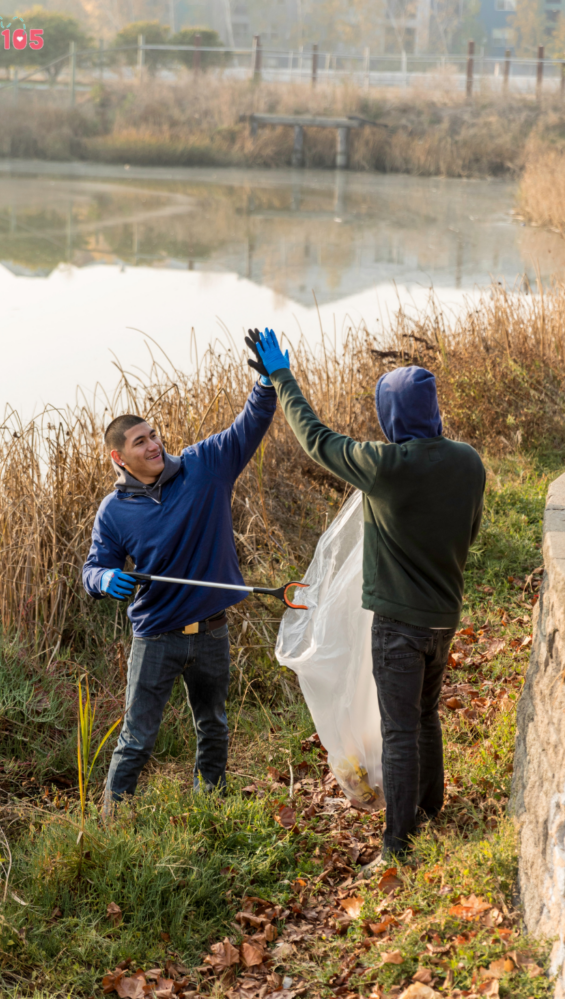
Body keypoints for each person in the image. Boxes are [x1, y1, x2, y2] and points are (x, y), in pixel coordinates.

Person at [246, 327, 485, 865]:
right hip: (444, 616)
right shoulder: (468, 461)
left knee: (399, 730)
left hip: (399, 626)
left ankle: (397, 846)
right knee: (425, 715)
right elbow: (468, 534)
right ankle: (430, 809)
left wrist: (281, 377)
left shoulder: (385, 467)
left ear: (389, 416)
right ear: (433, 409)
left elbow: (316, 439)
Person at [82, 374, 277, 810]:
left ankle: (210, 809)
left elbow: (248, 426)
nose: (154, 445)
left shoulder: (204, 466)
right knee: (137, 738)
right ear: (119, 457)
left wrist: (266, 386)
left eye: (153, 435)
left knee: (214, 726)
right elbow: (92, 570)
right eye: (140, 442)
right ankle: (113, 823)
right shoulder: (113, 512)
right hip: (156, 636)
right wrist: (104, 580)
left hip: (211, 631)